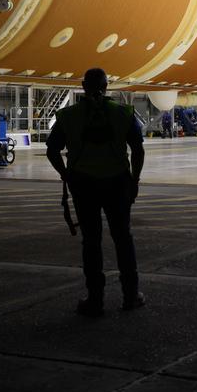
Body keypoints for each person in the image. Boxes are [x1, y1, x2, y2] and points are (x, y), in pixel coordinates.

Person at [46, 68, 146, 316]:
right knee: (123, 238)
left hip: (84, 185)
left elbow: (52, 150)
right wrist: (135, 180)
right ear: (107, 85)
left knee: (91, 242)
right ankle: (131, 296)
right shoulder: (122, 113)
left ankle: (95, 300)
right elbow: (138, 149)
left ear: (82, 85)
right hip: (117, 185)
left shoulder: (69, 116)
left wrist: (66, 175)